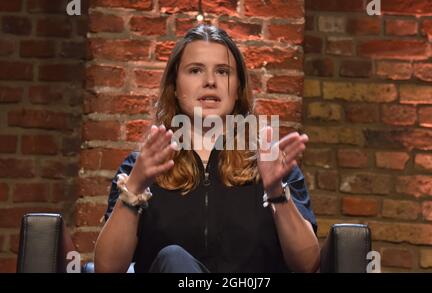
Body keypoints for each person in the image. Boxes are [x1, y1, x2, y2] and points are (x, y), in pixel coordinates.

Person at [94, 24, 320, 273]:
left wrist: (276, 192)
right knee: (174, 259)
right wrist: (135, 187)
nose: (210, 81)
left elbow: (307, 266)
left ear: (238, 90)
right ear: (175, 88)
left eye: (223, 72)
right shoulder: (140, 168)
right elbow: (107, 269)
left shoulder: (274, 163)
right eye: (195, 70)